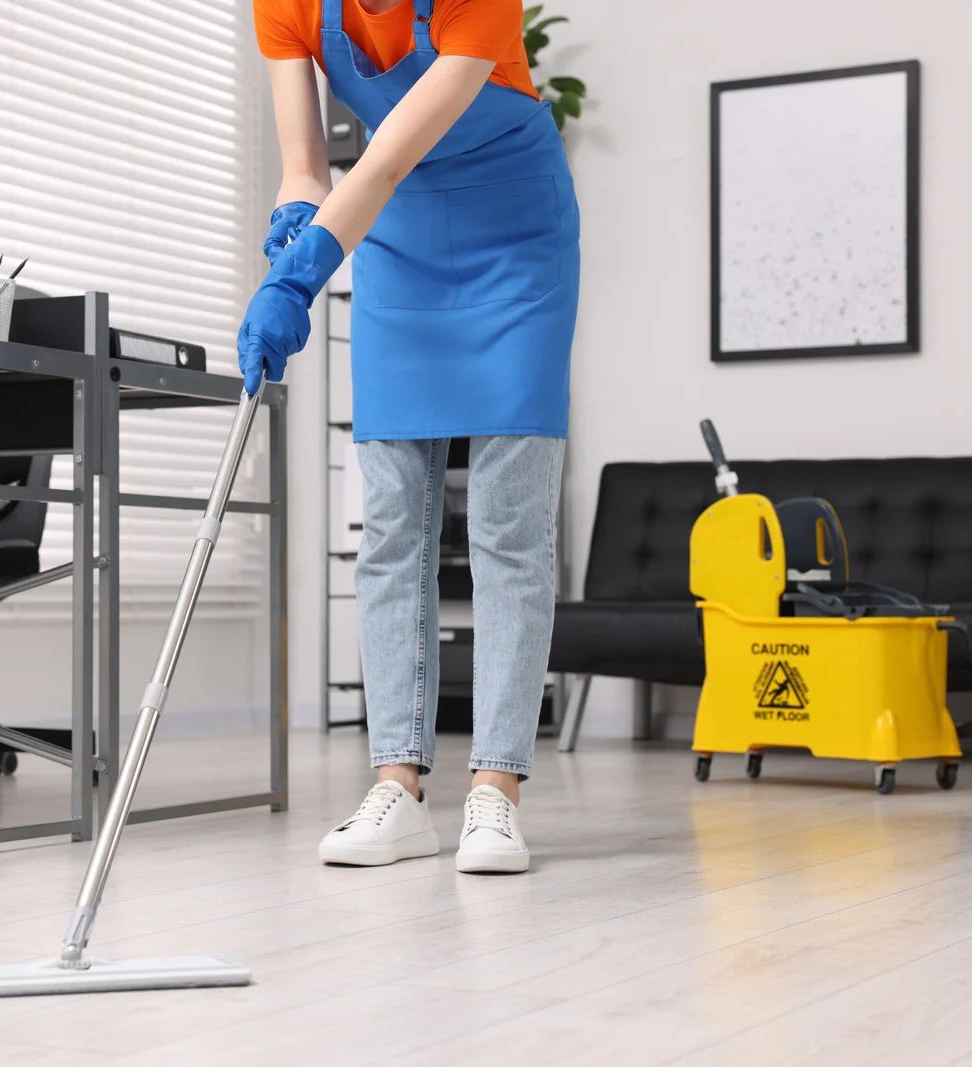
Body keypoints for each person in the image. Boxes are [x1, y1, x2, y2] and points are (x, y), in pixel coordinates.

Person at [241, 0, 580, 873]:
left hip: (517, 241)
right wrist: (291, 232)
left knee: (510, 523)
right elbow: (309, 168)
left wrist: (308, 273)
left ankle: (496, 791)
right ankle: (398, 786)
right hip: (394, 239)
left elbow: (387, 155)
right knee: (391, 523)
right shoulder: (288, 7)